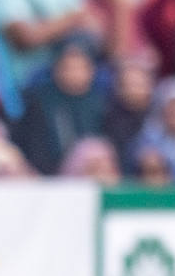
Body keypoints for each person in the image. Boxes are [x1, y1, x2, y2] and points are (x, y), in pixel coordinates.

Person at [12, 38, 105, 176]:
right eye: (68, 67)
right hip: (49, 176)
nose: (73, 74)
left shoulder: (99, 103)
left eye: (79, 68)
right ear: (56, 69)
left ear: (90, 71)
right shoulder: (40, 101)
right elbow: (35, 147)